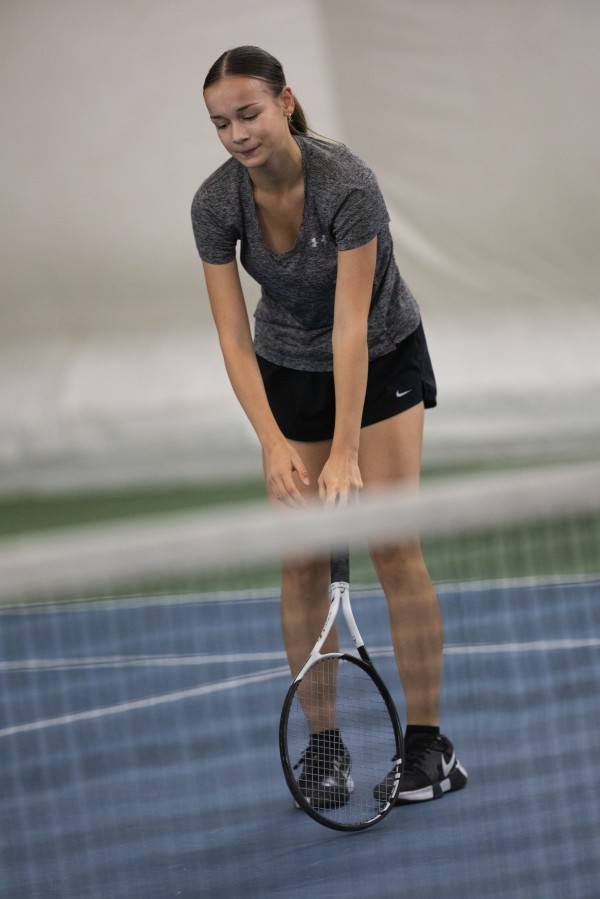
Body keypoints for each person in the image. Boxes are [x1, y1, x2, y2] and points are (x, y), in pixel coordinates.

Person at [191, 45, 467, 806]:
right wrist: (272, 443)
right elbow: (231, 336)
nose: (238, 134)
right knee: (304, 560)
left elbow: (350, 324)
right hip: (287, 369)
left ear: (285, 102)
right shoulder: (215, 203)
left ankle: (429, 747)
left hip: (379, 355)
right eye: (221, 123)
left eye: (249, 113)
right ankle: (325, 747)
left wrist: (345, 450)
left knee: (391, 543)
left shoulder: (346, 183)